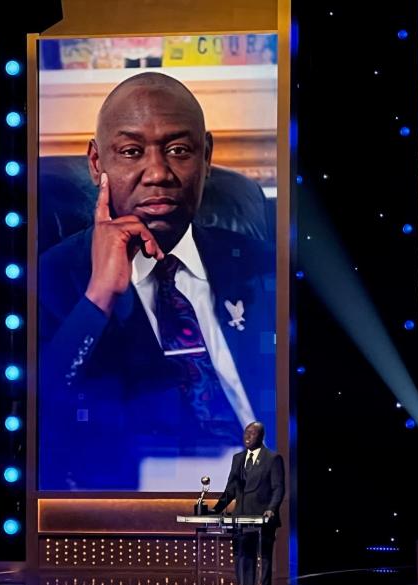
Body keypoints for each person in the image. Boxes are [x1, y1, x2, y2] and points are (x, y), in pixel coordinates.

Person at [38, 71, 276, 490]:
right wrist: (99, 297)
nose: (158, 173)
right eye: (131, 152)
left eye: (179, 150)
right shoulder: (50, 279)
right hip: (140, 517)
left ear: (206, 155)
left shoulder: (264, 267)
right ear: (97, 163)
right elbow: (28, 421)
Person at [212, 421, 285, 585]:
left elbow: (278, 488)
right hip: (240, 520)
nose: (247, 437)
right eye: (246, 433)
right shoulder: (238, 459)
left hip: (262, 521)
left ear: (260, 436)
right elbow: (231, 490)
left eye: (252, 433)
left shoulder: (273, 458)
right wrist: (215, 510)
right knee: (243, 562)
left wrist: (271, 509)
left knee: (265, 566)